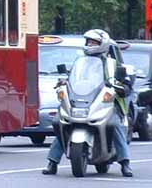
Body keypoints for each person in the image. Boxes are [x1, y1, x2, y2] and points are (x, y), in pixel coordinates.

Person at [42, 29, 133, 177]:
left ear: (102, 44)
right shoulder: (80, 62)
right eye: (88, 41)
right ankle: (52, 162)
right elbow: (74, 78)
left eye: (94, 42)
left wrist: (123, 86)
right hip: (83, 101)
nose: (90, 44)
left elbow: (126, 82)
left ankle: (125, 164)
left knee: (114, 125)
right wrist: (64, 82)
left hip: (108, 104)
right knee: (61, 124)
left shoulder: (112, 63)